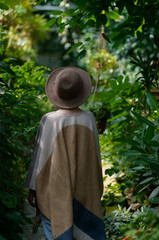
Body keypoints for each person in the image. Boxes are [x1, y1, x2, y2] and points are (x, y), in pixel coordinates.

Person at [25, 67, 106, 240]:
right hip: (85, 187)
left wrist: (33, 189)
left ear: (57, 91)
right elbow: (95, 157)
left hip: (55, 188)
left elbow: (39, 158)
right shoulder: (89, 118)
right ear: (80, 92)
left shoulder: (49, 120)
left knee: (56, 227)